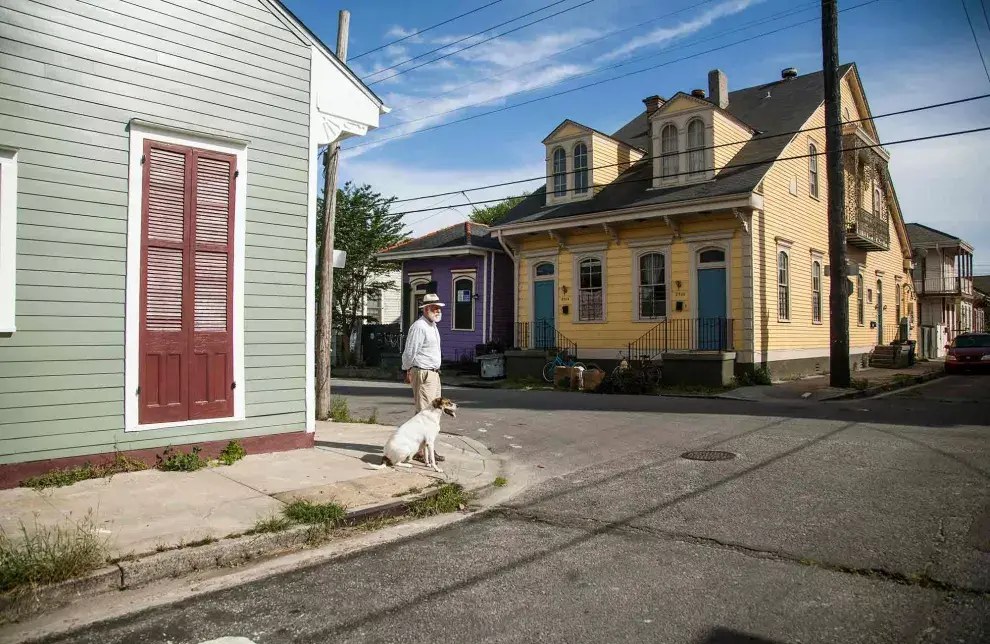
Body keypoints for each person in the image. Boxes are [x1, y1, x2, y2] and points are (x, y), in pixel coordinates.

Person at [401, 293, 446, 463]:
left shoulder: (432, 326)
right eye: (434, 308)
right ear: (426, 309)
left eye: (439, 308)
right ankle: (422, 452)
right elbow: (410, 351)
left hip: (433, 373)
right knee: (425, 413)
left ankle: (425, 447)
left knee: (434, 412)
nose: (437, 311)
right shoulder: (419, 327)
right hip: (424, 373)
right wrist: (407, 369)